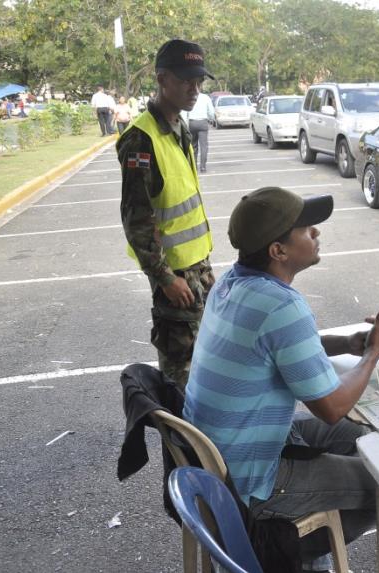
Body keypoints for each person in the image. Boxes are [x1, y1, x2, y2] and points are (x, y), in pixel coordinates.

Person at [184, 186, 379, 570]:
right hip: (251, 479)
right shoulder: (282, 305)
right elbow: (332, 407)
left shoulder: (230, 283)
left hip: (223, 454)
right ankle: (296, 549)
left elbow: (274, 347)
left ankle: (310, 536)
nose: (317, 234)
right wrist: (372, 353)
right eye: (307, 229)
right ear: (278, 251)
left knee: (365, 439)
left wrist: (346, 342)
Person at [117, 39, 216, 391]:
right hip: (174, 277)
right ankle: (180, 446)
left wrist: (203, 271)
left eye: (199, 81)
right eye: (186, 80)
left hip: (197, 268)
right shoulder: (141, 139)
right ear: (162, 79)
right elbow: (137, 219)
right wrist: (164, 278)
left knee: (205, 363)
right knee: (180, 375)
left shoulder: (178, 126)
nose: (195, 89)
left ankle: (203, 444)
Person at [180, 89, 215, 172]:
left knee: (193, 146)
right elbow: (211, 112)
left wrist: (185, 123)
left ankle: (194, 166)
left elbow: (184, 112)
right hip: (203, 122)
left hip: (192, 122)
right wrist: (211, 119)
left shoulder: (189, 96)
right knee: (204, 146)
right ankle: (203, 167)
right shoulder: (206, 97)